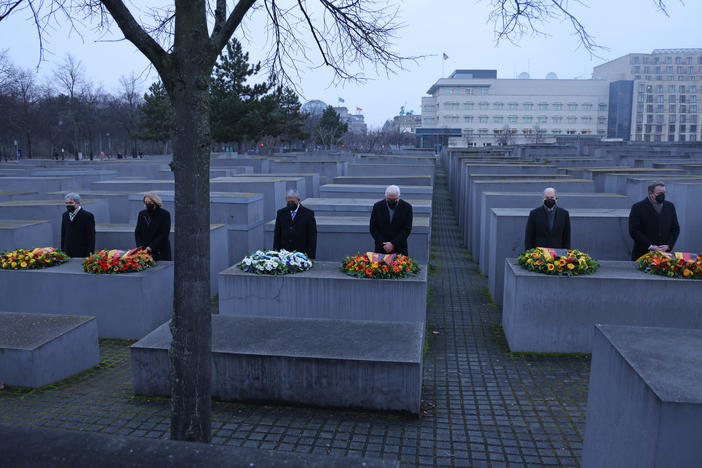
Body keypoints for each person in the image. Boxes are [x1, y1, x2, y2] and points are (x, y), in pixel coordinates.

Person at [628, 181, 680, 260]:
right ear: (650, 193)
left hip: (664, 254)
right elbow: (634, 231)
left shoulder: (670, 206)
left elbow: (675, 228)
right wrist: (650, 246)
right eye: (659, 193)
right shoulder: (638, 207)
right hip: (642, 254)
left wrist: (668, 245)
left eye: (664, 193)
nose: (662, 195)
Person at [370, 185, 413, 256]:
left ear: (399, 197)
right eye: (389, 200)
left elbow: (406, 229)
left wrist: (393, 243)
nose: (392, 202)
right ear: (386, 197)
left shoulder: (407, 208)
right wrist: (384, 244)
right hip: (381, 248)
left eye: (394, 200)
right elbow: (373, 228)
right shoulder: (377, 206)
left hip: (400, 248)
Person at [273, 189, 317, 258]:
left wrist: (310, 256)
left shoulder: (308, 214)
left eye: (293, 202)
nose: (290, 203)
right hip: (284, 254)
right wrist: (275, 254)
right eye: (288, 202)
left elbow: (312, 237)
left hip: (302, 254)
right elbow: (277, 236)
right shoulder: (281, 213)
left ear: (298, 200)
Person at [135, 192, 172, 261]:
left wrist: (151, 247)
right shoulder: (142, 214)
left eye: (150, 201)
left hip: (160, 250)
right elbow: (137, 232)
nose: (147, 204)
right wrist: (140, 247)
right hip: (144, 252)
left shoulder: (165, 214)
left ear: (155, 201)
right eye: (146, 202)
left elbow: (164, 233)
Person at [61, 193, 96, 258]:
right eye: (66, 203)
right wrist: (63, 252)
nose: (68, 205)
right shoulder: (65, 215)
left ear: (78, 203)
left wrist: (89, 255)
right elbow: (63, 234)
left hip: (82, 253)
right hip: (68, 253)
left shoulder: (87, 216)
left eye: (71, 203)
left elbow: (91, 237)